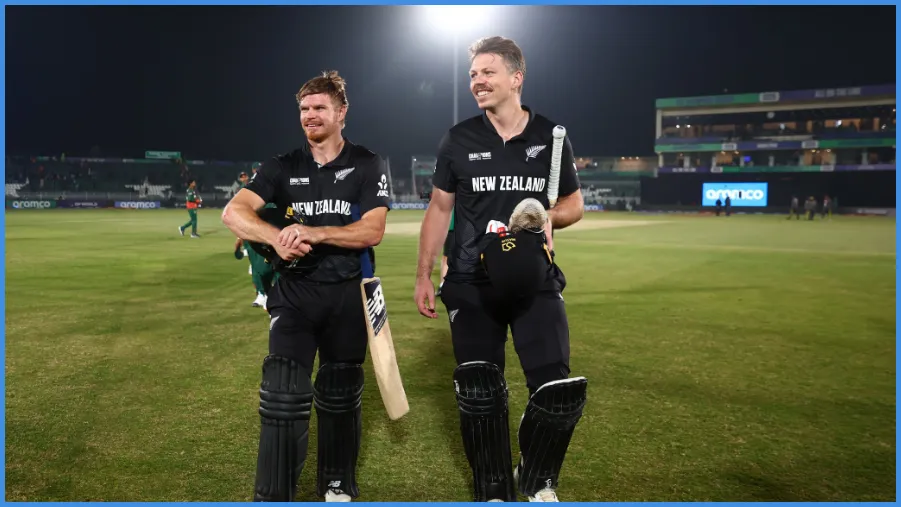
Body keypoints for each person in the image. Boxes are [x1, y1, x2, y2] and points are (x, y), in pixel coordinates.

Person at [414, 36, 588, 503]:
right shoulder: (458, 138)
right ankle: (492, 487)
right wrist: (424, 274)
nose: (477, 81)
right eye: (472, 74)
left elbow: (573, 203)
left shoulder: (551, 137)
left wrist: (548, 217)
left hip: (534, 278)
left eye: (487, 72)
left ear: (516, 78)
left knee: (554, 387)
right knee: (480, 390)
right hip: (470, 281)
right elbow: (439, 209)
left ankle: (537, 476)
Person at [221, 70, 390, 503]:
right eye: (304, 109)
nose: (310, 115)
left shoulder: (367, 163)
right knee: (282, 391)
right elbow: (234, 212)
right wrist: (276, 237)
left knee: (339, 393)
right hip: (294, 295)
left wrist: (314, 232)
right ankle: (275, 491)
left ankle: (336, 483)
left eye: (319, 108)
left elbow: (372, 230)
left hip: (346, 295)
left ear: (342, 112)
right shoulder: (281, 166)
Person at [233, 170, 279, 308]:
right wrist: (240, 235)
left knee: (273, 266)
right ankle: (261, 294)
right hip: (252, 233)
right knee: (256, 266)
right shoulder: (248, 193)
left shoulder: (274, 193)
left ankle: (274, 294)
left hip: (269, 233)